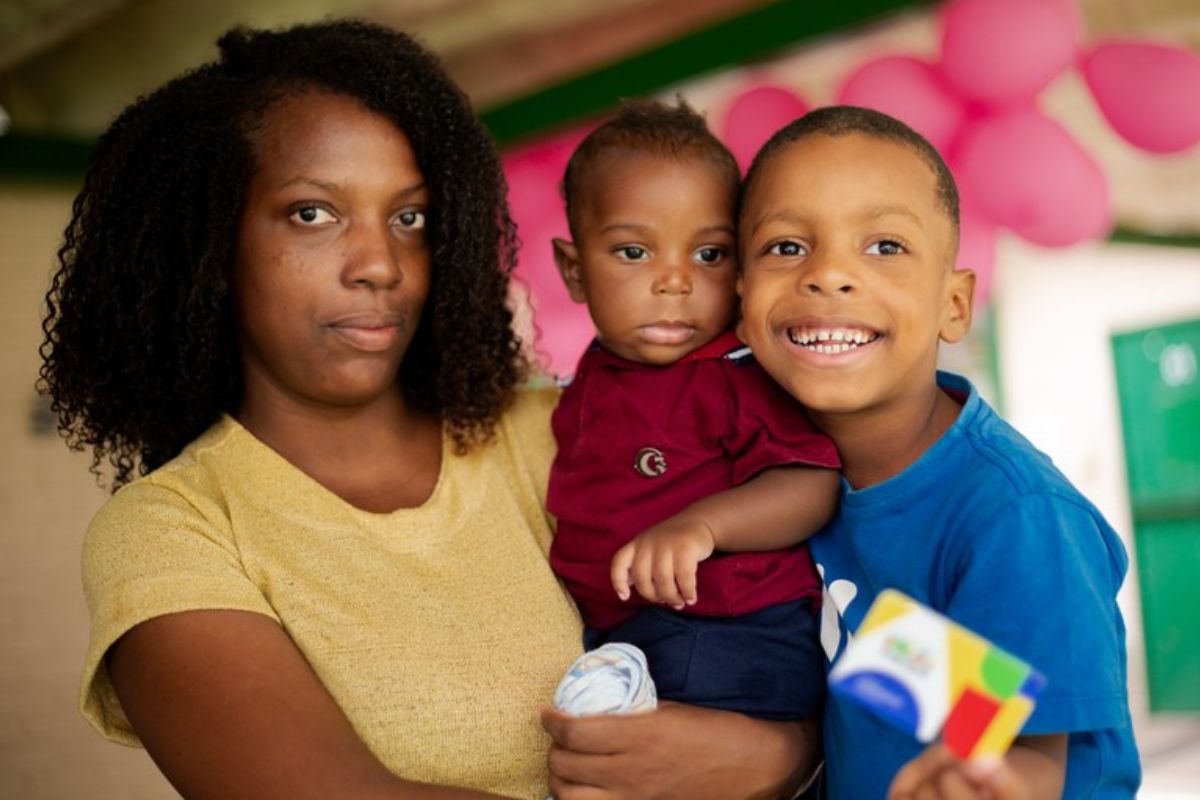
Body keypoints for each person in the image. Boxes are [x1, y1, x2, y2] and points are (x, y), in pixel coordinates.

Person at [38, 21, 817, 800]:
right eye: (314, 213)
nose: (380, 263)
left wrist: (784, 755)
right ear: (208, 245)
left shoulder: (571, 425)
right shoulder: (174, 531)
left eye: (408, 217)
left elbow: (833, 605)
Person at [735, 105, 1141, 798]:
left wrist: (984, 781)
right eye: (785, 247)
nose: (828, 275)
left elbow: (1031, 757)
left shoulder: (1013, 516)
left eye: (885, 247)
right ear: (740, 299)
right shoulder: (777, 470)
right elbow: (916, 675)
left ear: (955, 305)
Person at [546, 99, 840, 722]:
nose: (675, 282)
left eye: (708, 255)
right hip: (630, 635)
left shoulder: (735, 372)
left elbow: (811, 485)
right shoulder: (593, 377)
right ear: (574, 271)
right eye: (634, 253)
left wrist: (701, 527)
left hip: (735, 632)